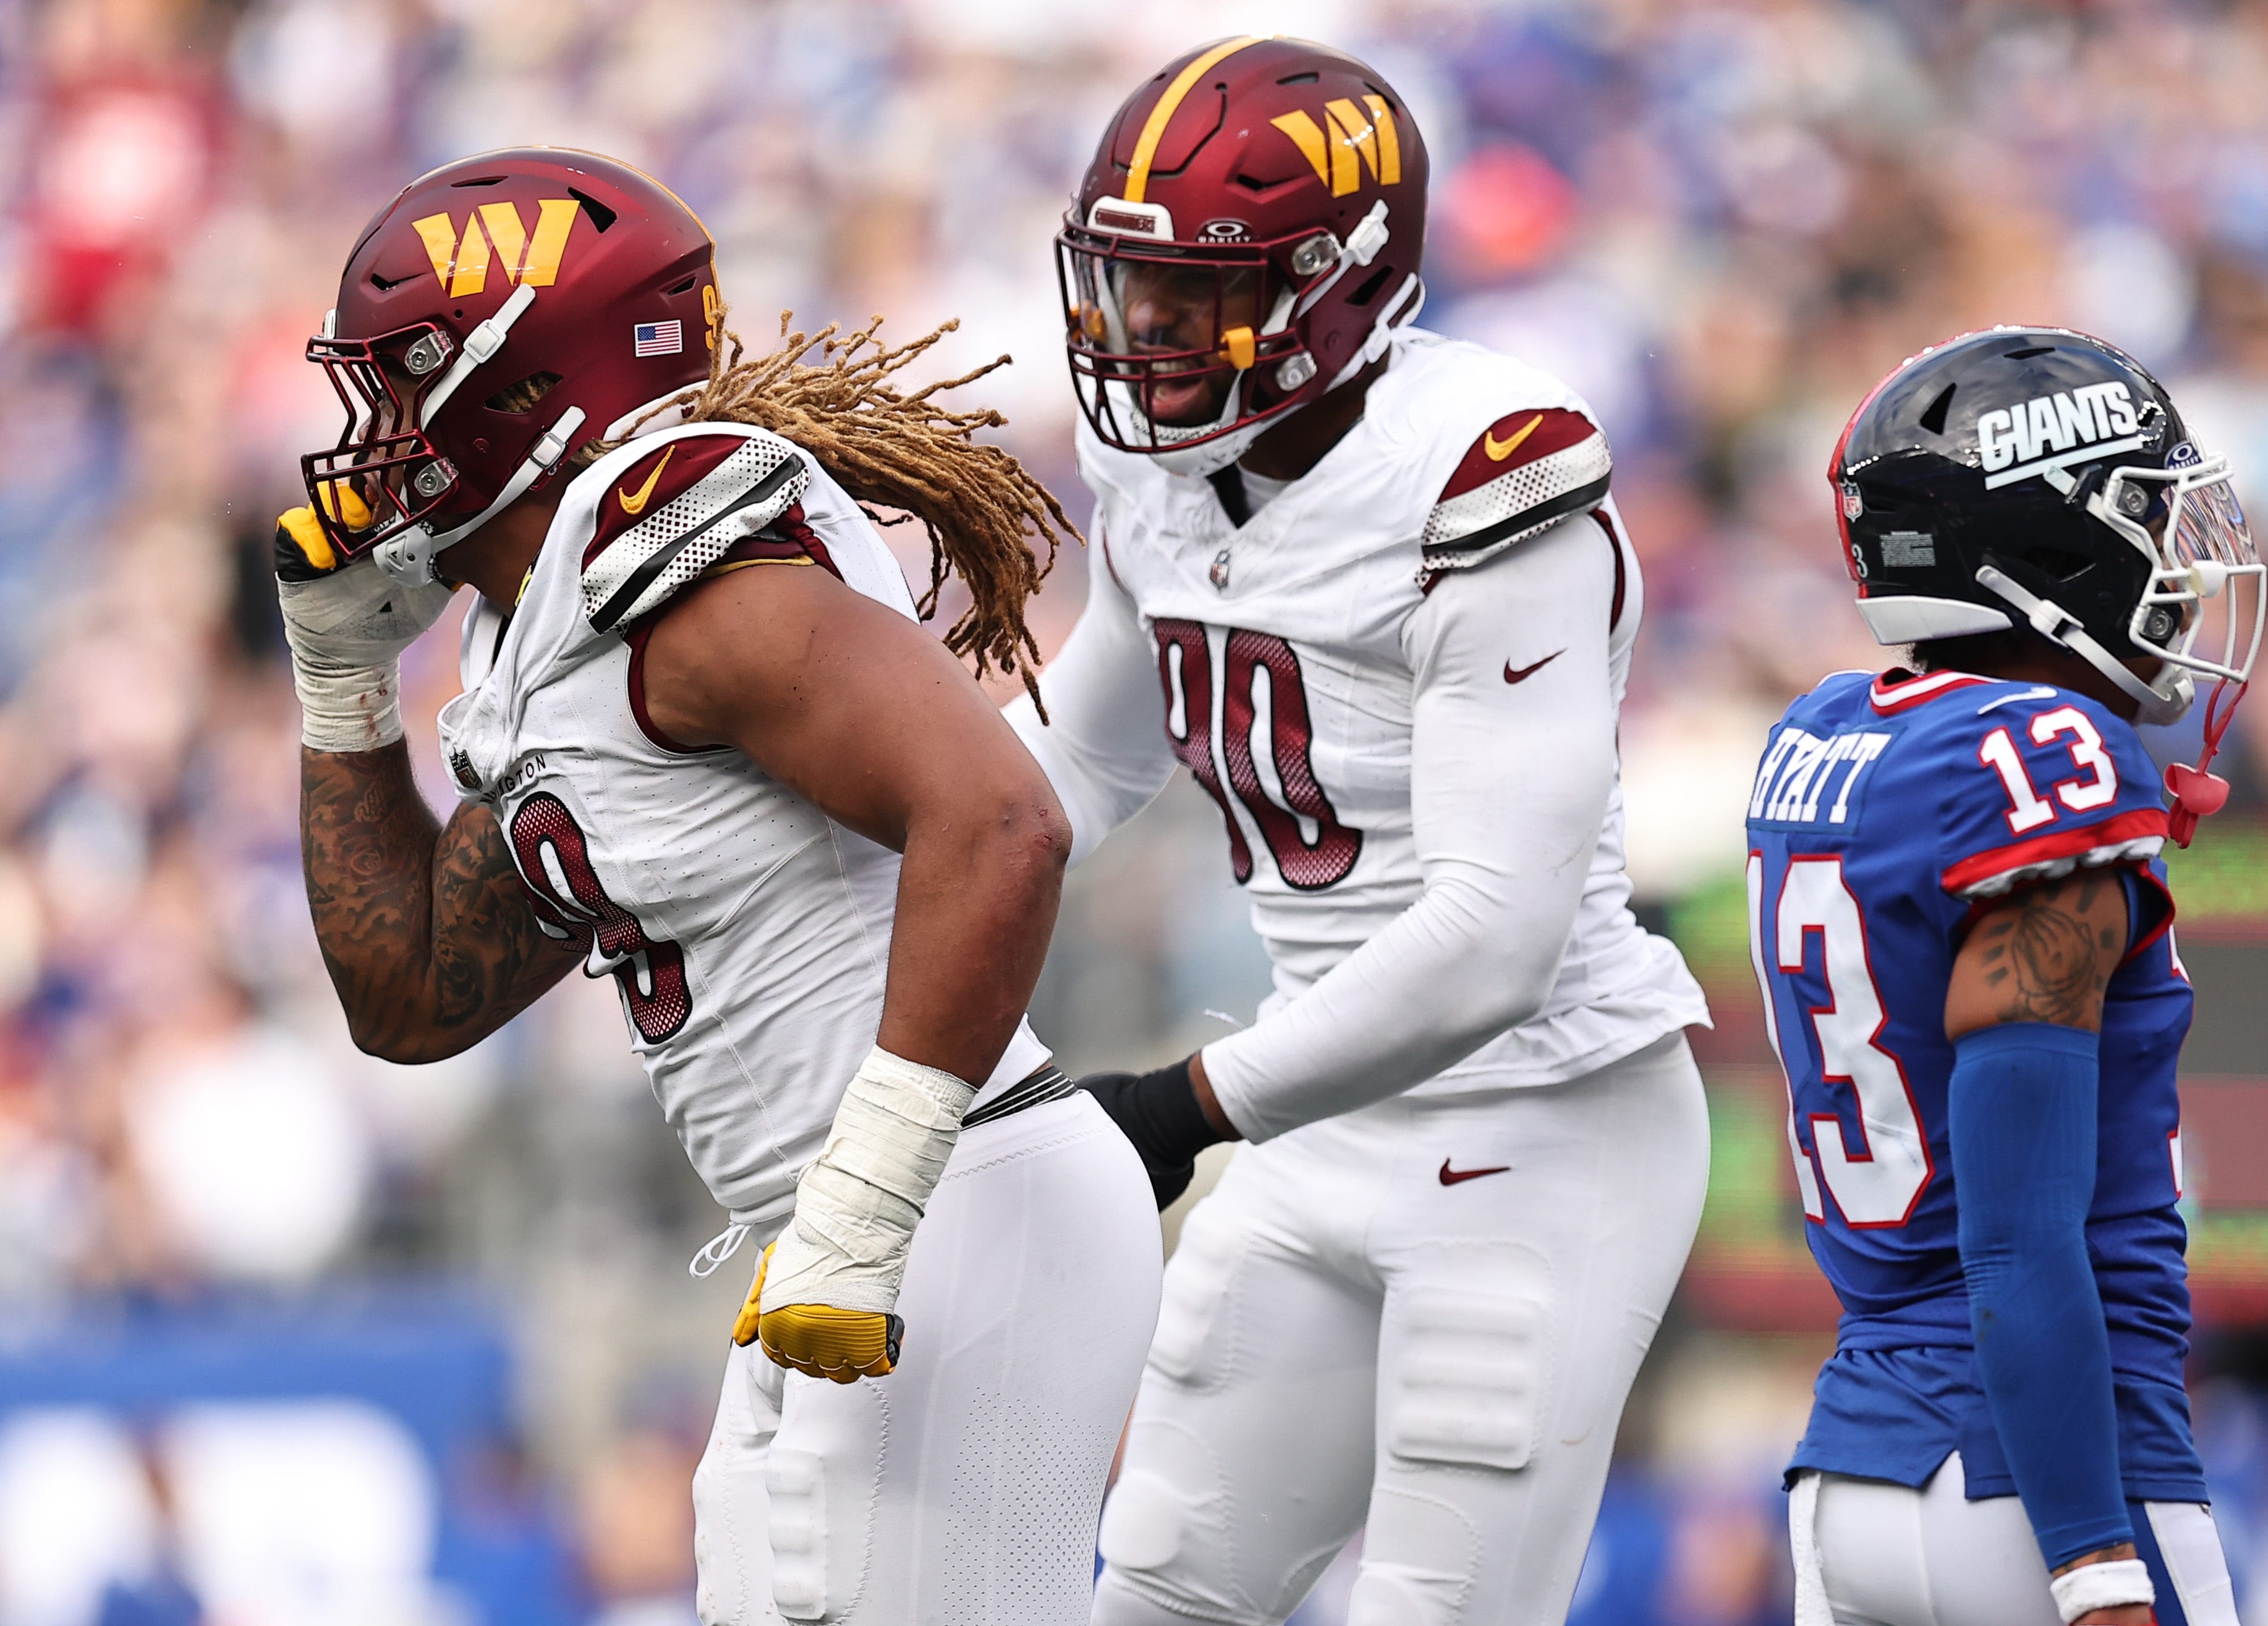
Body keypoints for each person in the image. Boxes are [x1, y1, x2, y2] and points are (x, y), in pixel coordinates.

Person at [278, 147, 1159, 1625]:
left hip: (946, 1201)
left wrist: (867, 1205)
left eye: (401, 393)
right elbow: (413, 996)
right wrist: (341, 683)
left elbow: (1003, 823)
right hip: (852, 1222)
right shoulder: (555, 630)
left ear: (519, 391)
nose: (373, 444)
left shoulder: (686, 582)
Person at [1008, 39, 1714, 1625]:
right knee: (1162, 1595)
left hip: (1543, 1116)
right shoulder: (1162, 473)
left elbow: (1492, 936)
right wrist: (858, 863)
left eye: (1202, 295)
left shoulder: (1485, 472)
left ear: (1340, 285)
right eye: (1133, 290)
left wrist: (1186, 1102)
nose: (1150, 336)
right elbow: (1070, 765)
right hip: (1317, 1111)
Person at [1752, 327, 2261, 1626]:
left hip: (1851, 1470)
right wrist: (2095, 1564)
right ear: (2046, 549)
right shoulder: (2047, 754)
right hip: (2045, 1480)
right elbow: (2019, 1230)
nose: (2176, 564)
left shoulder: (1830, 732)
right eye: (2144, 515)